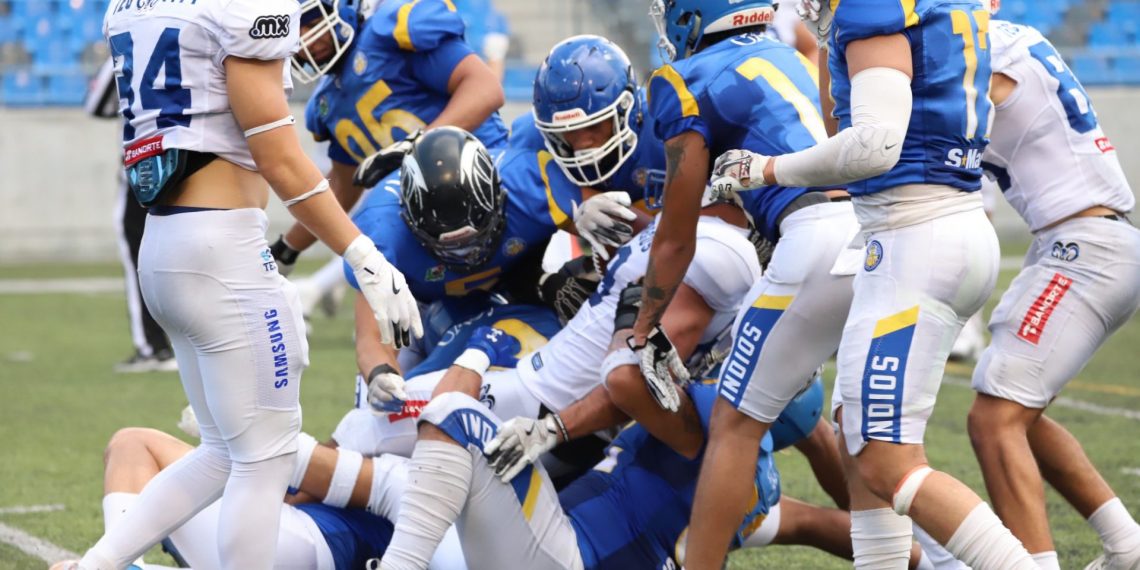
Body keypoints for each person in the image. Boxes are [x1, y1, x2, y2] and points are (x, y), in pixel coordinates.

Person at [71, 0, 421, 568]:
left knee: (222, 452)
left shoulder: (128, 7)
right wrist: (363, 255)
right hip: (223, 247)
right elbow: (279, 159)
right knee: (266, 457)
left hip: (163, 246)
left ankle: (98, 564)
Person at [709, 0, 1036, 567]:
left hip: (917, 236)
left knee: (886, 460)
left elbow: (873, 146)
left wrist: (766, 170)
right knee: (858, 442)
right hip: (929, 228)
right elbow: (841, 124)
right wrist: (827, 42)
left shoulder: (875, 7)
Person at [627, 1, 860, 566]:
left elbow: (676, 238)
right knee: (868, 434)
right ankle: (935, 556)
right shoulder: (786, 53)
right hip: (871, 234)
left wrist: (642, 327)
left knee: (733, 424)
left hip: (814, 237)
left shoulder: (684, 79)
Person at [966, 15, 1140, 570]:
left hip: (1085, 249)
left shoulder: (981, 52)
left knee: (993, 420)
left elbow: (923, 126)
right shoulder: (1014, 37)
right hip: (1082, 240)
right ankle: (1127, 544)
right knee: (1021, 415)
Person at [342, 127, 600, 414]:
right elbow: (372, 338)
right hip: (418, 308)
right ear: (408, 221)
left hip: (518, 277)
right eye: (450, 246)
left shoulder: (528, 183)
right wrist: (380, 373)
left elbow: (622, 239)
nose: (467, 254)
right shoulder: (383, 233)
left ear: (499, 196)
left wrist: (554, 281)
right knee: (378, 411)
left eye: (475, 237)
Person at [270, 0, 508, 275]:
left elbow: (485, 89)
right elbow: (345, 185)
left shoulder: (391, 32)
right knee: (369, 261)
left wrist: (415, 146)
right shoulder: (326, 102)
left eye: (313, 24)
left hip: (490, 180)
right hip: (428, 220)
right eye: (295, 32)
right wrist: (288, 247)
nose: (306, 41)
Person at [51, 427, 465, 570]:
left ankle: (123, 565)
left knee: (133, 442)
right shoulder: (446, 486)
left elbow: (292, 465)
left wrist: (236, 434)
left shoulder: (405, 474)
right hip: (295, 545)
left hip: (304, 546)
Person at [85, 57, 176, 373]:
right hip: (195, 163)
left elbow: (96, 105)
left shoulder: (123, 47)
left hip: (143, 169)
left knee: (139, 260)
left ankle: (153, 347)